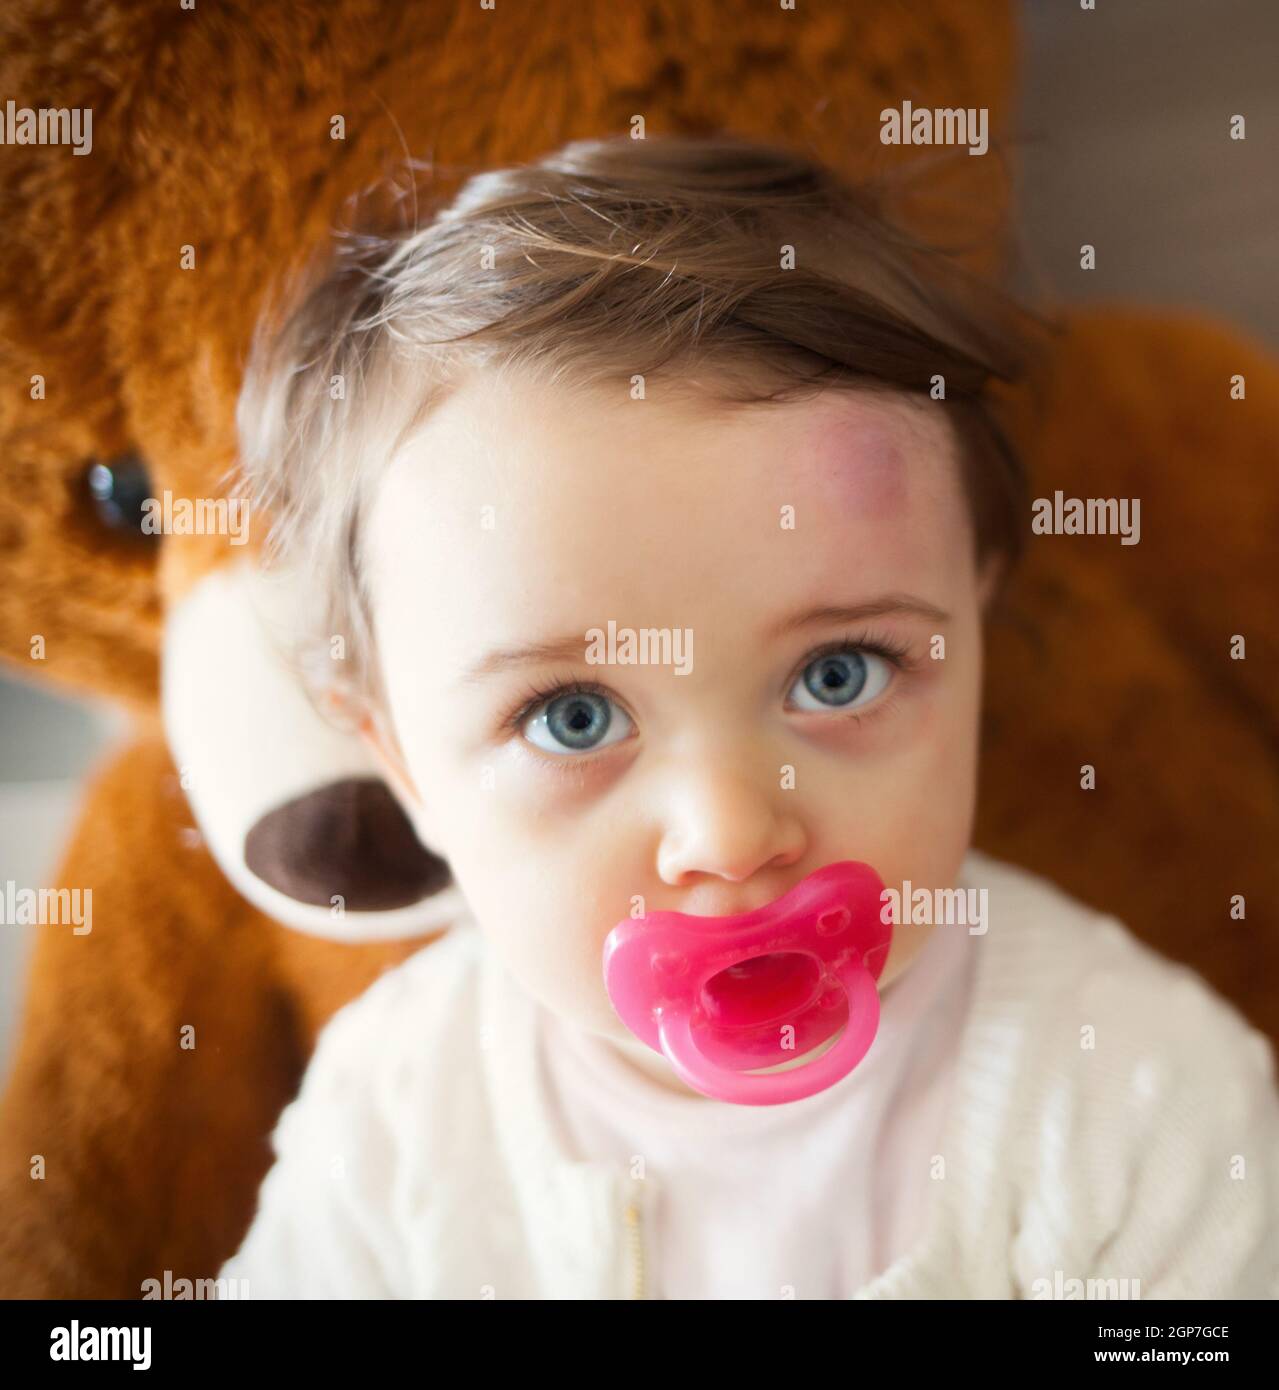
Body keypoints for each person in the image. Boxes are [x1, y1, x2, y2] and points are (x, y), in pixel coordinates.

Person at [216, 134, 1279, 1299]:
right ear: (403, 765)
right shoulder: (396, 1115)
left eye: (838, 674)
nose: (729, 832)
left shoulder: (1132, 1098)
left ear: (975, 620)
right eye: (573, 716)